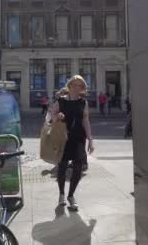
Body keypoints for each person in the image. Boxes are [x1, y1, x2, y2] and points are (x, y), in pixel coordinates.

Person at [49, 75, 95, 211]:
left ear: (82, 88)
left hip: (79, 138)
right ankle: (61, 194)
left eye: (79, 86)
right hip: (63, 138)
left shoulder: (83, 102)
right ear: (69, 86)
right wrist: (57, 116)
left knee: (78, 167)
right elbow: (51, 116)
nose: (76, 88)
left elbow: (85, 121)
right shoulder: (61, 101)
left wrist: (90, 140)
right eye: (74, 85)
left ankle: (71, 195)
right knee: (62, 166)